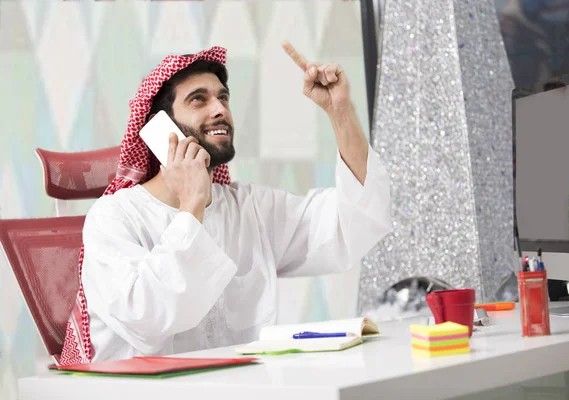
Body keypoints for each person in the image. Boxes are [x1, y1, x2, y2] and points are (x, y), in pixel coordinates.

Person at [59, 43, 391, 365]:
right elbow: (148, 317)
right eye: (198, 100)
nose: (219, 109)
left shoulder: (248, 207)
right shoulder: (114, 218)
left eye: (223, 97)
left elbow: (353, 222)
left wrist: (340, 112)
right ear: (159, 130)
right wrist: (192, 204)